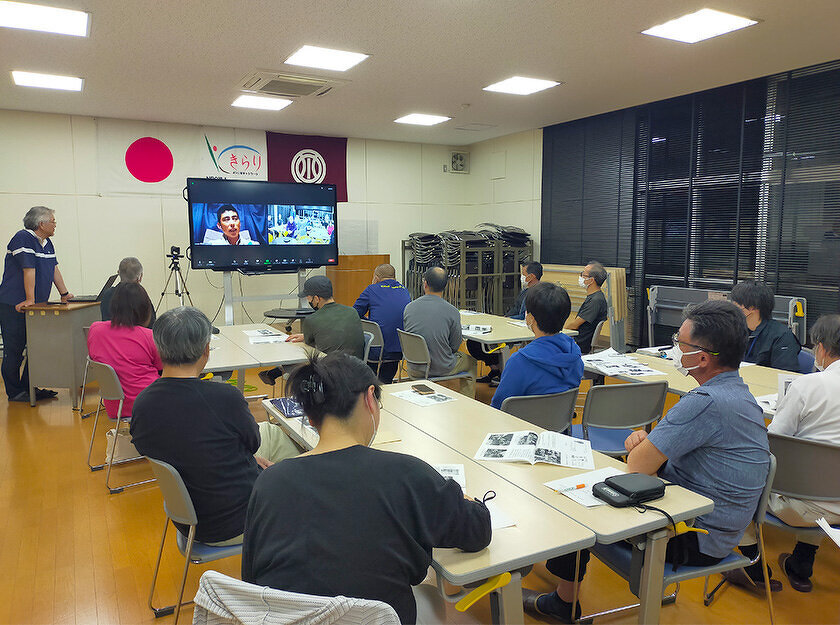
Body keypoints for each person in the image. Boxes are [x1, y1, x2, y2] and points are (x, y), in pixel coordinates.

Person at [524, 300, 770, 621]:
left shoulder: (704, 402)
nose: (675, 350)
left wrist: (642, 449)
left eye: (680, 343)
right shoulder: (740, 394)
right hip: (723, 529)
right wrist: (648, 448)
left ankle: (562, 603)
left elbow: (638, 466)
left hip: (693, 537)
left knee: (570, 502)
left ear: (703, 358)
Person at [241, 352, 492, 624]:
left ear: (311, 418)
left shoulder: (269, 482)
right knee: (430, 593)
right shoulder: (408, 474)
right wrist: (464, 499)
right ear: (370, 398)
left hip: (288, 619)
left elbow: (251, 580)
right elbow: (477, 531)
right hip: (381, 618)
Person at [130, 306, 298, 545]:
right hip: (239, 520)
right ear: (206, 350)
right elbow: (253, 443)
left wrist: (246, 457)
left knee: (267, 434)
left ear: (158, 349)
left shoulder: (143, 403)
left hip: (188, 519)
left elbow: (162, 446)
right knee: (287, 445)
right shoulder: (224, 396)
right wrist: (248, 458)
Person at [730, 314, 840, 594]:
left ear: (823, 349)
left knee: (732, 476)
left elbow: (773, 443)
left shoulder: (807, 386)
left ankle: (752, 567)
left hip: (799, 507)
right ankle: (802, 564)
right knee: (825, 473)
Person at [0, 206, 73, 402]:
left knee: (36, 347)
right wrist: (30, 299)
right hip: (14, 305)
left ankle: (30, 387)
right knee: (14, 349)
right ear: (41, 224)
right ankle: (15, 392)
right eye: (53, 221)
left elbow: (54, 268)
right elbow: (28, 269)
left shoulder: (47, 242)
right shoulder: (22, 238)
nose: (55, 224)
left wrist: (64, 293)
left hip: (35, 306)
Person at [490, 282, 583, 409]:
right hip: (559, 427)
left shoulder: (519, 361)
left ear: (530, 318)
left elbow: (499, 406)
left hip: (523, 427)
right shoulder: (575, 355)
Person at [259, 275, 365, 386]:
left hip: (330, 375)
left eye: (308, 297)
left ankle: (274, 372)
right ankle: (273, 373)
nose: (308, 300)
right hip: (357, 370)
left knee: (303, 355)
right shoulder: (352, 311)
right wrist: (307, 335)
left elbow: (309, 349)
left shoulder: (312, 319)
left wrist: (308, 336)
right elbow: (338, 332)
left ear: (317, 298)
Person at [87, 282, 161, 419]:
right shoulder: (148, 336)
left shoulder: (95, 330)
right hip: (150, 403)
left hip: (114, 406)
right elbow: (165, 367)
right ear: (145, 308)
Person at [403, 267, 477, 397]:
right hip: (440, 367)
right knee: (471, 362)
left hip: (413, 367)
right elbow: (455, 346)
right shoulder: (452, 311)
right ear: (445, 286)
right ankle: (468, 403)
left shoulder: (409, 308)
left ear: (425, 284)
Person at [468, 261, 542, 387]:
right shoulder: (525, 291)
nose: (521, 277)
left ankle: (503, 372)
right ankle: (496, 369)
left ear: (531, 276)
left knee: (479, 343)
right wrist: (502, 319)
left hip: (518, 329)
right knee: (474, 342)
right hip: (509, 324)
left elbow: (523, 316)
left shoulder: (536, 293)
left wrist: (505, 320)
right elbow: (514, 310)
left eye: (523, 274)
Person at [353, 263, 412, 383]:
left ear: (376, 278)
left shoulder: (371, 289)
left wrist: (368, 321)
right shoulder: (404, 290)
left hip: (375, 350)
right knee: (386, 376)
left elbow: (354, 313)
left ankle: (370, 387)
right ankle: (386, 383)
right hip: (399, 350)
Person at [730, 280, 800, 372]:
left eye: (736, 303)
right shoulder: (735, 330)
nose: (732, 307)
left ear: (752, 307)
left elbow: (785, 375)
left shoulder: (782, 336)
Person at [565, 261, 608, 355]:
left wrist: (558, 332)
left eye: (583, 274)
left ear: (591, 280)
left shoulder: (595, 301)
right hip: (577, 341)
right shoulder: (594, 297)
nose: (580, 277)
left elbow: (574, 326)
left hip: (578, 344)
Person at [100, 256, 156, 327]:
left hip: (111, 337)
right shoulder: (142, 296)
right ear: (140, 277)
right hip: (138, 337)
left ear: (118, 273)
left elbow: (106, 321)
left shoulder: (107, 295)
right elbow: (151, 324)